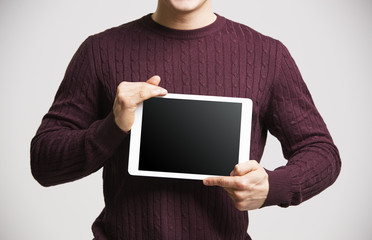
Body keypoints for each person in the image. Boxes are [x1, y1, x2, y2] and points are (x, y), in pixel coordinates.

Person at [30, 0, 341, 239]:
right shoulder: (99, 51)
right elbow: (44, 162)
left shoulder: (268, 55)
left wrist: (274, 186)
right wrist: (114, 126)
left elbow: (322, 153)